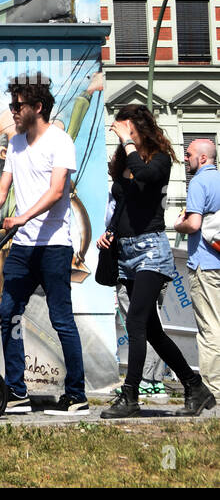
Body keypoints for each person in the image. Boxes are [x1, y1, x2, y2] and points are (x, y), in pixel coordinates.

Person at [0, 73, 88, 415]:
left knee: (61, 319)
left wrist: (23, 216)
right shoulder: (17, 144)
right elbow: (2, 189)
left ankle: (76, 395)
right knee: (8, 314)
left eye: (18, 105)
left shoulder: (60, 141)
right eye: (12, 105)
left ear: (37, 107)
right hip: (22, 247)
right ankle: (17, 391)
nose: (13, 111)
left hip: (54, 245)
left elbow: (57, 190)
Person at [97, 105, 204, 417]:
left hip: (152, 251)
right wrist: (109, 232)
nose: (121, 134)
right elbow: (122, 203)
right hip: (125, 252)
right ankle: (194, 386)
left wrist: (128, 142)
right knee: (152, 331)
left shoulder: (159, 160)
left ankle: (130, 395)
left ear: (138, 128)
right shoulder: (124, 161)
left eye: (126, 127)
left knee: (135, 322)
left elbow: (144, 178)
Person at [171, 137, 220, 415]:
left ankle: (212, 390)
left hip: (205, 263)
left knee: (209, 329)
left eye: (188, 154)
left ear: (203, 158)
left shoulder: (199, 183)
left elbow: (193, 224)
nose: (185, 158)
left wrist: (178, 223)